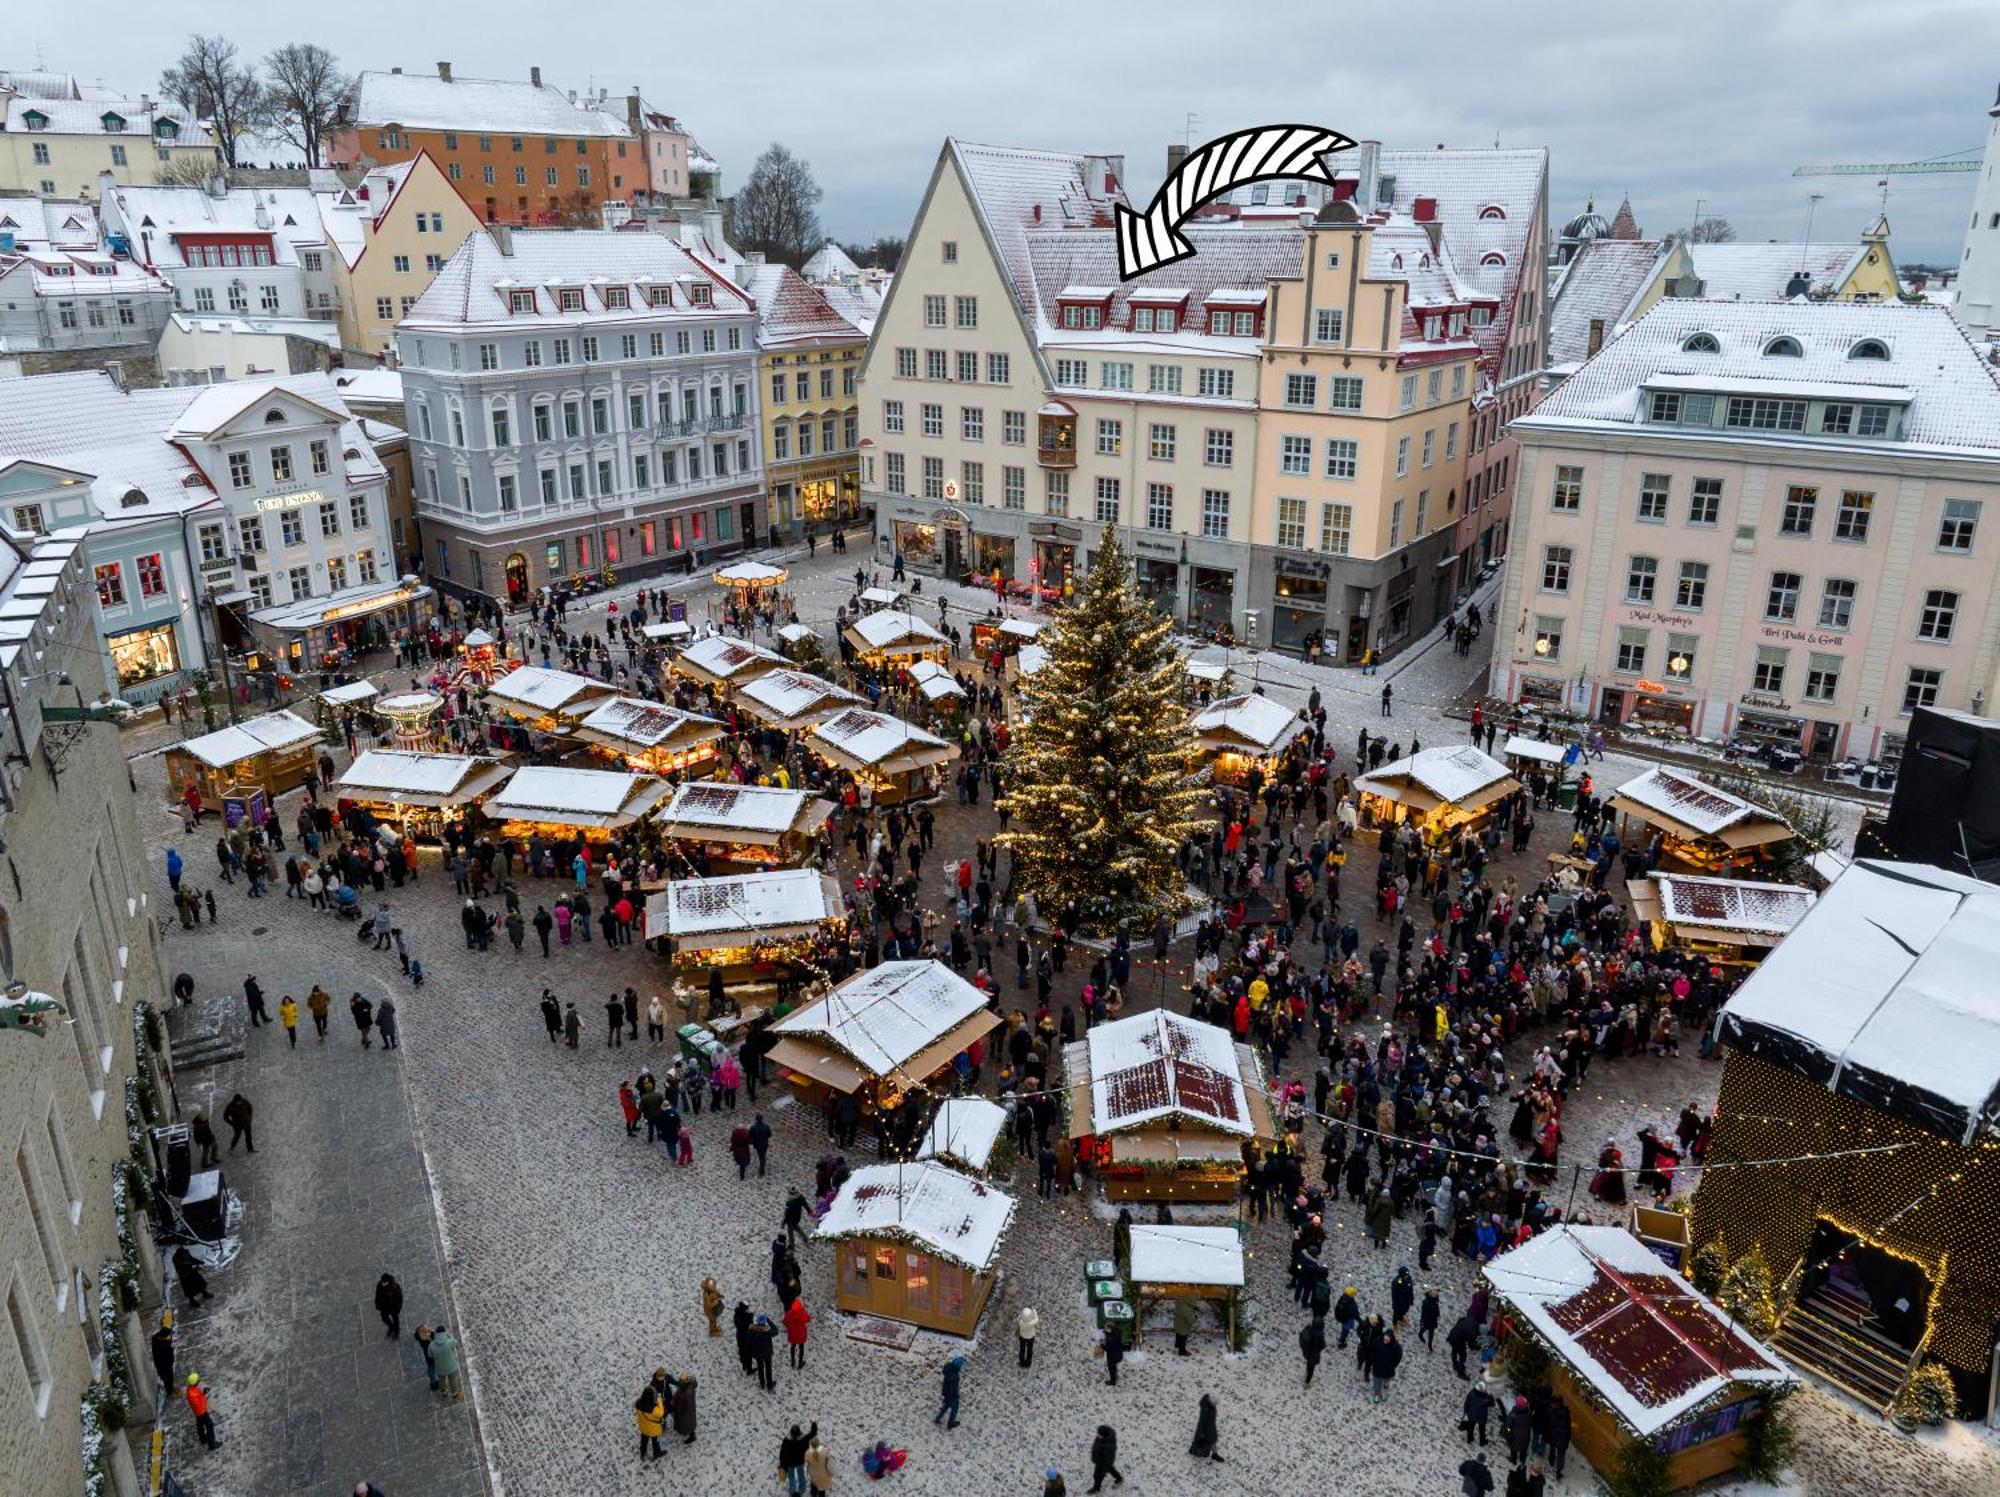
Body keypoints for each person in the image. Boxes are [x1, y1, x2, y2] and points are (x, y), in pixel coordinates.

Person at [634, 1370, 667, 1462]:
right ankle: (657, 1453)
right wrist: (659, 1401)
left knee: (644, 1440)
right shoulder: (653, 1409)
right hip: (652, 1429)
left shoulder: (638, 1403)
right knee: (655, 1441)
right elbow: (661, 1413)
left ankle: (643, 1452)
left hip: (643, 1427)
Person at [779, 1420, 819, 1495]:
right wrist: (814, 1424)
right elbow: (812, 1434)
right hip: (800, 1461)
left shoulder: (786, 1440)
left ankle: (792, 1491)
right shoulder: (803, 1438)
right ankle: (802, 1489)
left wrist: (782, 1464)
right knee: (801, 1475)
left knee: (791, 1478)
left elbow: (782, 1453)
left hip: (790, 1463)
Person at [186, 1372, 219, 1448]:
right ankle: (212, 1444)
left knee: (200, 1425)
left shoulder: (191, 1390)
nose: (199, 1380)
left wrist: (203, 1392)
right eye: (198, 1380)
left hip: (198, 1413)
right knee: (209, 1425)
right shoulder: (193, 1394)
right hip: (202, 1412)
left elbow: (198, 1396)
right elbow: (197, 1403)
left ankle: (203, 1439)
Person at [1188, 1392, 1222, 1462]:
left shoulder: (1210, 1406)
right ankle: (1194, 1451)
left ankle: (1214, 1454)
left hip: (1211, 1427)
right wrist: (1202, 1435)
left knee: (1213, 1440)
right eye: (1215, 1403)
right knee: (1206, 1442)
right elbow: (1203, 1423)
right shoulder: (1206, 1410)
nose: (1216, 1405)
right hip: (1206, 1430)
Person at [1088, 1424, 1123, 1491]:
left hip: (1102, 1463)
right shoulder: (1101, 1438)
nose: (1097, 1435)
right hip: (1101, 1461)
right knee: (1110, 1469)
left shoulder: (1108, 1445)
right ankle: (1119, 1478)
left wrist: (1103, 1465)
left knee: (1097, 1475)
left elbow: (1107, 1457)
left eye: (1099, 1434)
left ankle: (1096, 1488)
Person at [431, 1326, 462, 1400]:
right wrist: (448, 1335)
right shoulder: (449, 1342)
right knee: (452, 1380)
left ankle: (443, 1392)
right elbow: (456, 1342)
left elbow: (430, 1355)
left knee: (441, 1380)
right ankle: (454, 1393)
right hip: (451, 1366)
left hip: (440, 1367)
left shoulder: (432, 1345)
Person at [150, 1312, 175, 1399]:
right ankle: (170, 1392)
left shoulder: (156, 1338)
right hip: (164, 1367)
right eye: (168, 1336)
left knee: (168, 1379)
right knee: (168, 1379)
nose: (169, 1337)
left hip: (162, 1366)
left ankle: (171, 1389)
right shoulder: (163, 1346)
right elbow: (167, 1356)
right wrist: (170, 1346)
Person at [935, 1354, 964, 1429]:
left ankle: (937, 1418)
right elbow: (953, 1388)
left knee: (946, 1406)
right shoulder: (955, 1376)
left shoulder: (948, 1369)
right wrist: (953, 1396)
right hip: (952, 1395)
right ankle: (950, 1424)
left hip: (945, 1391)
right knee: (954, 1409)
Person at [783, 1297, 811, 1369]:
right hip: (801, 1335)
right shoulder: (803, 1314)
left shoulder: (789, 1314)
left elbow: (784, 1321)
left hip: (792, 1334)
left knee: (793, 1347)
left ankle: (793, 1362)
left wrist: (789, 1327)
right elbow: (808, 1319)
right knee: (801, 1348)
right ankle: (800, 1363)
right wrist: (803, 1309)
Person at [670, 1370, 697, 1444]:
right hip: (687, 1412)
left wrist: (676, 1410)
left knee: (686, 1424)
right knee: (687, 1423)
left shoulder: (687, 1394)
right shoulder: (686, 1387)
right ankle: (689, 1433)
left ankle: (692, 1436)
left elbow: (681, 1405)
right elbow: (678, 1393)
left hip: (685, 1413)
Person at [804, 1431, 834, 1497]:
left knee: (814, 1483)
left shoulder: (808, 1453)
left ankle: (813, 1493)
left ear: (811, 1445)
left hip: (813, 1473)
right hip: (823, 1473)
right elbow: (830, 1461)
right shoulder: (825, 1451)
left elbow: (806, 1460)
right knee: (821, 1487)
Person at [1299, 1315, 1326, 1386]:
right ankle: (1307, 1382)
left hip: (1308, 1352)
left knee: (1309, 1364)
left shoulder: (1309, 1329)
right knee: (1312, 1368)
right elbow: (1323, 1345)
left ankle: (1307, 1373)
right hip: (1314, 1354)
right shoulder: (1320, 1334)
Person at [374, 1273, 403, 1338]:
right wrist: (377, 1304)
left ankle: (396, 1332)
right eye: (382, 1282)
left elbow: (400, 1298)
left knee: (396, 1320)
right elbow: (377, 1295)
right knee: (384, 1318)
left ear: (388, 1282)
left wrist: (398, 1307)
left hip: (393, 1307)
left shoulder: (395, 1287)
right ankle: (391, 1327)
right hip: (384, 1307)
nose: (382, 1283)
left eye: (384, 1282)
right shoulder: (380, 1285)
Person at [1172, 1288, 1198, 1355]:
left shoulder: (1181, 1302)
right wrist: (1195, 1318)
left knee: (1178, 1335)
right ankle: (1182, 1351)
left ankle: (1177, 1345)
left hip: (1177, 1324)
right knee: (1183, 1338)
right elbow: (1190, 1321)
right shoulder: (1187, 1310)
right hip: (1183, 1326)